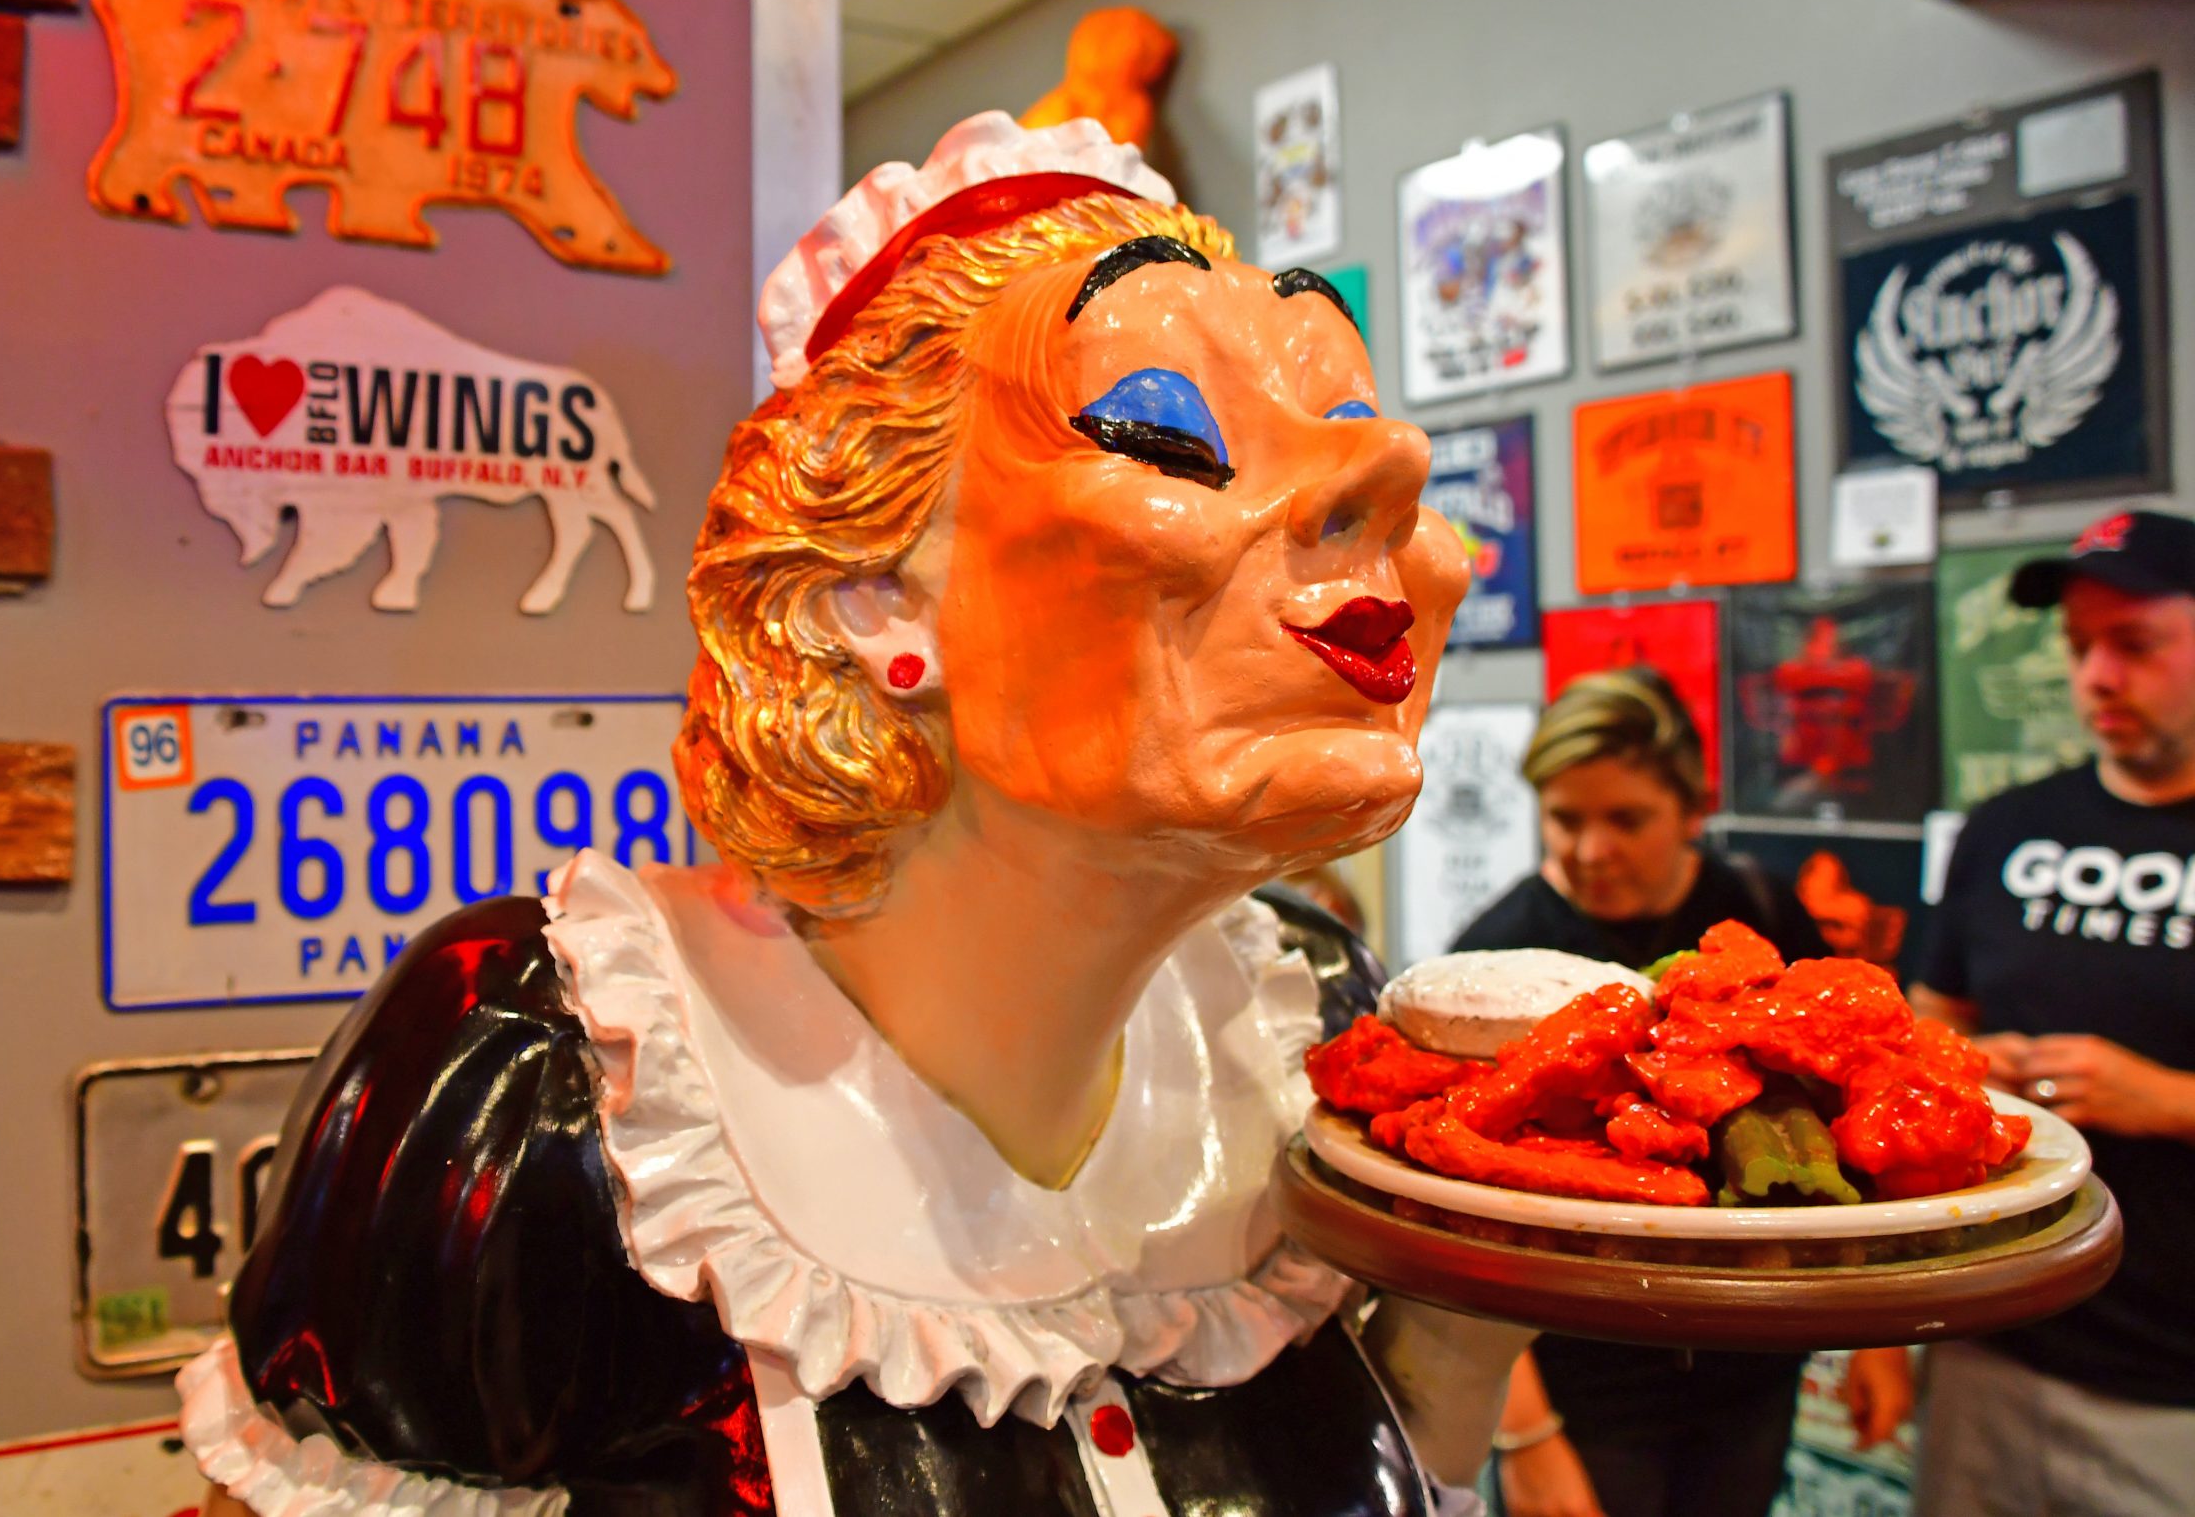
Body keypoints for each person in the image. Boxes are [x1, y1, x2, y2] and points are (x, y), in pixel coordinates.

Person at [178, 112, 1524, 1517]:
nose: (1391, 477)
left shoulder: (1309, 1024)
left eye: (1355, 419)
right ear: (870, 593)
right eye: (1172, 431)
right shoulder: (550, 1079)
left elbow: (1401, 1463)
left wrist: (1485, 1301)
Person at [1448, 667, 1914, 1517]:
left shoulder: (1761, 909)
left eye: (1626, 818)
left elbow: (1852, 1115)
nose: (1591, 850)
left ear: (1693, 809)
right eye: (1565, 818)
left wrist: (1879, 1333)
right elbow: (1464, 1210)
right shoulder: (1502, 951)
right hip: (1580, 1367)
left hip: (1755, 1349)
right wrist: (1525, 1437)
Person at [1908, 508, 2195, 1517]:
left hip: (2171, 1395)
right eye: (2078, 649)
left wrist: (2162, 1099)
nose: (2097, 679)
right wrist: (1964, 1073)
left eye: (2134, 645)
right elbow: (1922, 1028)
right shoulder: (2005, 828)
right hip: (1989, 1346)